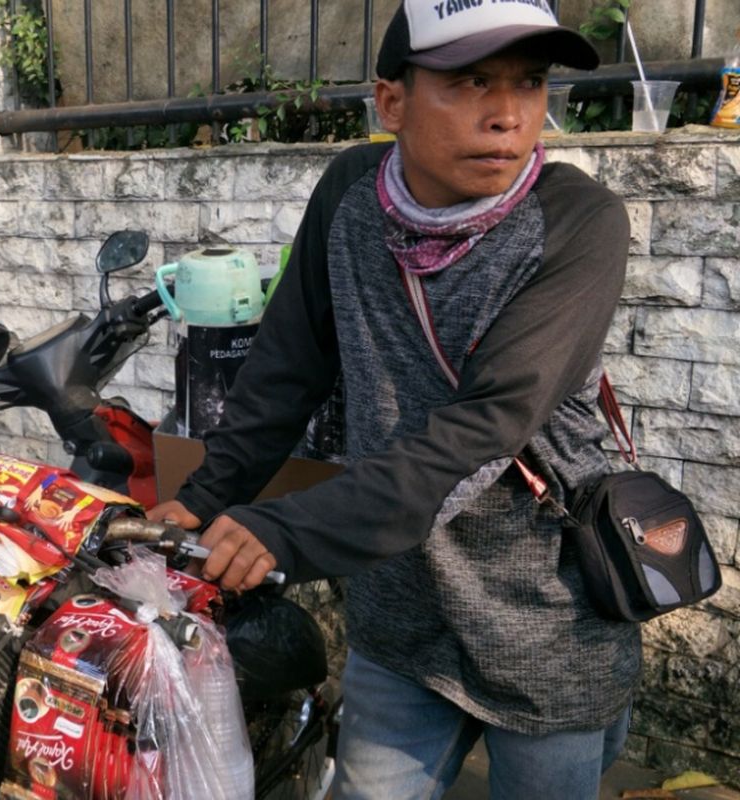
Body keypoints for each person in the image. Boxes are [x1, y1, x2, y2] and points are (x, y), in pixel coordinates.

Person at [148, 1, 639, 797]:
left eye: (530, 82)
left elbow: (486, 428)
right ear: (392, 101)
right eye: (471, 81)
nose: (508, 116)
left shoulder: (577, 221)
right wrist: (203, 499)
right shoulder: (349, 194)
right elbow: (284, 369)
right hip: (399, 605)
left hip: (546, 614)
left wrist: (284, 529)